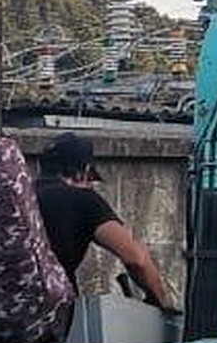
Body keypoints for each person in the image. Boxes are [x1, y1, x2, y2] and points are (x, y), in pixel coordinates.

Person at [35, 131, 172, 308]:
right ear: (83, 171)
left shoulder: (22, 195)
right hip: (52, 313)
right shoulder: (83, 199)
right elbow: (137, 259)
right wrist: (162, 302)